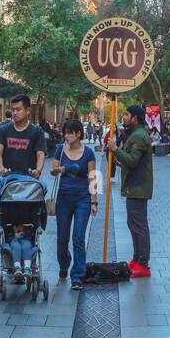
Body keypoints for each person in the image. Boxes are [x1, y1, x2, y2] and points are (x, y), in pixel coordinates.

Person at [51, 117, 97, 290]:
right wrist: (58, 169)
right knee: (62, 238)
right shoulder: (60, 151)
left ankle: (77, 276)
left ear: (78, 134)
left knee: (78, 237)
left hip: (83, 199)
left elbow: (92, 177)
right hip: (63, 198)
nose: (66, 136)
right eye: (65, 133)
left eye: (70, 133)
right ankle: (64, 264)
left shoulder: (88, 153)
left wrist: (94, 201)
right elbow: (53, 170)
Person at [112, 103, 154, 278]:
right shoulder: (134, 134)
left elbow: (132, 161)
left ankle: (143, 264)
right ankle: (137, 259)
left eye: (127, 114)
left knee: (139, 226)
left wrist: (116, 150)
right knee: (134, 224)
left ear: (135, 118)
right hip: (134, 186)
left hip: (138, 187)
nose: (124, 117)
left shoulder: (138, 136)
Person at [0, 94, 47, 178]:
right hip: (7, 179)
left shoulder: (37, 131)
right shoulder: (2, 130)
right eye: (13, 110)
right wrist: (1, 168)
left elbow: (40, 153)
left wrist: (38, 170)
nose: (15, 113)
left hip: (28, 180)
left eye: (18, 110)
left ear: (27, 110)